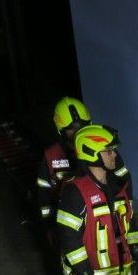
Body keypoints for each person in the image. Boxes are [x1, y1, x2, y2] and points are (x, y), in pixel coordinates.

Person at [55, 123, 135, 275]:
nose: (114, 155)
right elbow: (69, 236)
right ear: (92, 153)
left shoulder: (118, 187)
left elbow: (128, 225)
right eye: (108, 151)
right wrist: (84, 273)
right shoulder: (75, 192)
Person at [35, 96, 90, 224]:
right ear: (61, 130)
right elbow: (43, 191)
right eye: (71, 128)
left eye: (81, 126)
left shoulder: (100, 148)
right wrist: (48, 223)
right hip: (64, 215)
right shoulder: (51, 155)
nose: (77, 132)